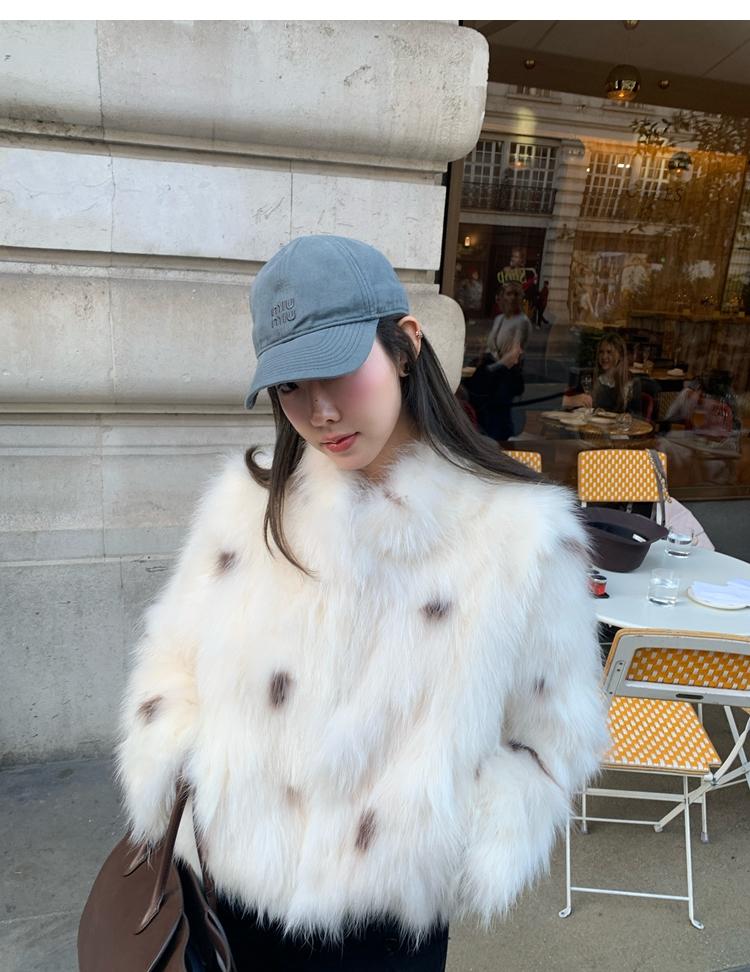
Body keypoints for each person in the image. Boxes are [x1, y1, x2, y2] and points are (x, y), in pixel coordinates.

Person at [116, 235, 607, 971]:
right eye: (290, 386)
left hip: (382, 919)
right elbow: (172, 662)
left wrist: (452, 839)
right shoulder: (248, 507)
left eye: (340, 371)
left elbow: (554, 738)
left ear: (405, 345)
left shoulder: (520, 536)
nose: (319, 411)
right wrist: (183, 765)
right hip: (229, 888)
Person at [563, 333, 641, 414]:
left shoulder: (632, 382)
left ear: (620, 356)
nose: (604, 356)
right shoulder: (588, 377)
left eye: (609, 352)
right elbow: (575, 406)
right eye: (601, 352)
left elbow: (636, 416)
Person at [486, 281, 532, 358]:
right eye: (508, 294)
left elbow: (514, 355)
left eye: (516, 294)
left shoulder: (522, 321)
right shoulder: (499, 319)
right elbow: (491, 346)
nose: (512, 298)